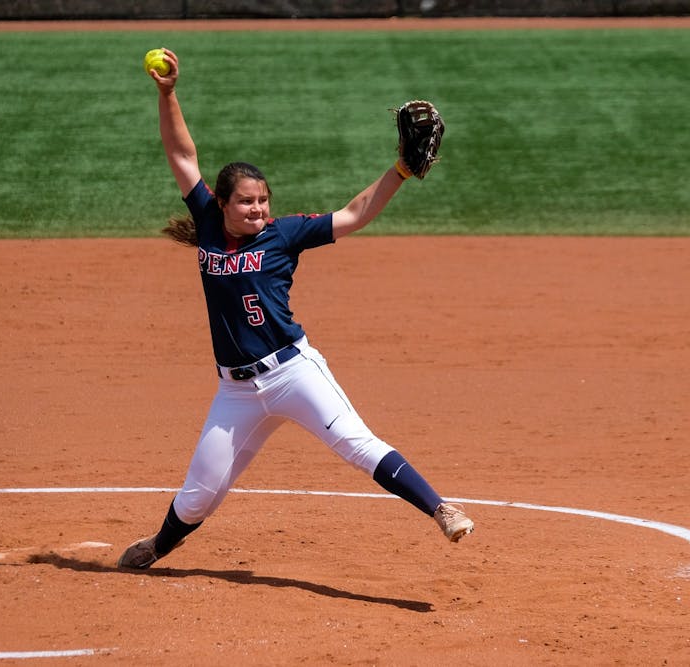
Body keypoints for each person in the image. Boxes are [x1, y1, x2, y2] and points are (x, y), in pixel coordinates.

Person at [118, 48, 474, 569]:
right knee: (199, 493)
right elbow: (182, 156)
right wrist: (168, 94)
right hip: (236, 390)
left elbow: (354, 215)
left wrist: (399, 168)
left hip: (292, 372)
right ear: (222, 204)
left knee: (356, 442)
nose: (258, 208)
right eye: (246, 201)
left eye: (262, 200)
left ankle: (441, 508)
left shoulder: (285, 235)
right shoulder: (210, 226)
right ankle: (158, 547)